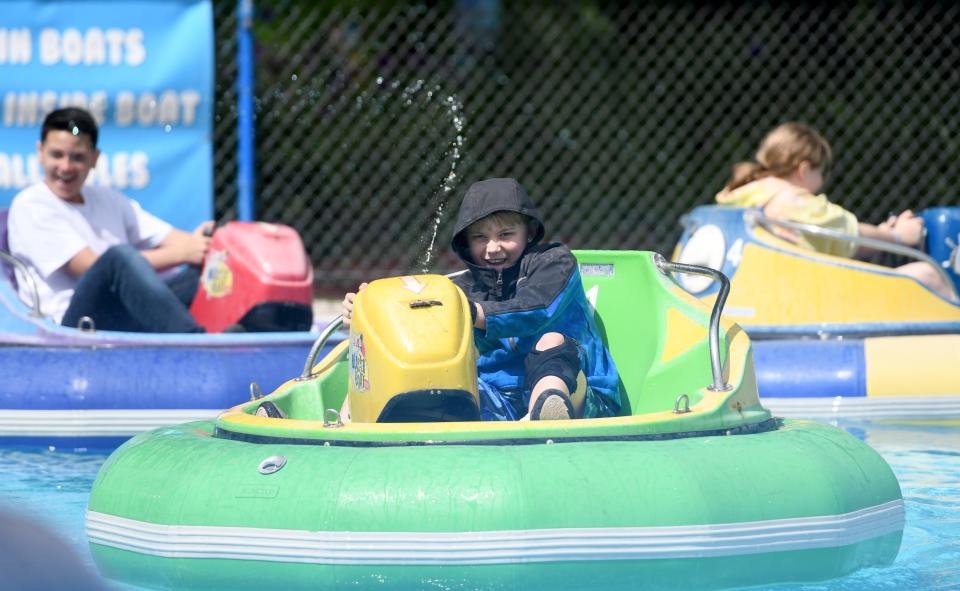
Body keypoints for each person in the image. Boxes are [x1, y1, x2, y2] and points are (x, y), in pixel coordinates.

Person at [343, 177, 621, 421]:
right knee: (427, 382)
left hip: (579, 396)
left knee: (550, 341)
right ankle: (350, 431)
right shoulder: (459, 289)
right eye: (480, 238)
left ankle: (548, 415)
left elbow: (537, 310)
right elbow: (425, 333)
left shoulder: (555, 264)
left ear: (528, 232)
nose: (492, 248)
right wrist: (372, 314)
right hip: (500, 400)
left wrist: (475, 314)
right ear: (467, 242)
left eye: (505, 235)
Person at [7, 107, 213, 332]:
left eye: (77, 157)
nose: (65, 167)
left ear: (94, 158)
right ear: (40, 152)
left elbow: (177, 240)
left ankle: (242, 333)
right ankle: (199, 345)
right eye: (57, 155)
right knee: (118, 258)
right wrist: (181, 254)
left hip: (121, 315)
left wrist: (208, 243)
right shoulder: (31, 205)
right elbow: (90, 267)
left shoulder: (108, 199)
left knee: (209, 271)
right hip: (71, 328)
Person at [715, 121, 952, 299]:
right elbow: (846, 235)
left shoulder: (744, 195)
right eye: (821, 173)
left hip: (763, 293)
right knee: (927, 274)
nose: (821, 183)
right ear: (804, 170)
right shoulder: (792, 200)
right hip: (807, 297)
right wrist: (897, 236)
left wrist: (878, 232)